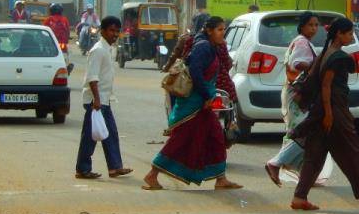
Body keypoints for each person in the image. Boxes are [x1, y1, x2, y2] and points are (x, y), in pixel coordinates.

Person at [142, 17, 242, 191]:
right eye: (219, 29)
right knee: (180, 140)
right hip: (194, 105)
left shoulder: (210, 46)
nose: (222, 33)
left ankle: (221, 178)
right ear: (209, 30)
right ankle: (152, 174)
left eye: (223, 29)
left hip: (202, 104)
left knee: (216, 137)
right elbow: (195, 71)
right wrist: (207, 95)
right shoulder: (203, 47)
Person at [287, 17, 359, 212]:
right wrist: (329, 114)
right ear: (339, 34)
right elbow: (326, 86)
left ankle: (300, 197)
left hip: (322, 111)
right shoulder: (337, 57)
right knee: (353, 151)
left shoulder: (327, 52)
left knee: (315, 154)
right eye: (349, 33)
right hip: (334, 110)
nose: (352, 37)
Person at [264, 12, 332, 186]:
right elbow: (297, 64)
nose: (314, 28)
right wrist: (316, 67)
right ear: (302, 26)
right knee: (303, 133)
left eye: (316, 25)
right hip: (298, 94)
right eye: (310, 25)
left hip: (298, 93)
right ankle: (275, 163)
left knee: (303, 133)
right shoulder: (302, 42)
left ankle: (305, 175)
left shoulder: (304, 42)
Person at [75, 16, 133, 180]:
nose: (115, 34)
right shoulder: (98, 50)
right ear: (103, 31)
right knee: (90, 136)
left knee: (110, 134)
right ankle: (82, 169)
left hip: (104, 99)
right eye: (111, 30)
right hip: (96, 101)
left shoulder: (107, 48)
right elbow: (92, 77)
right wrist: (97, 100)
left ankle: (114, 167)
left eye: (117, 31)